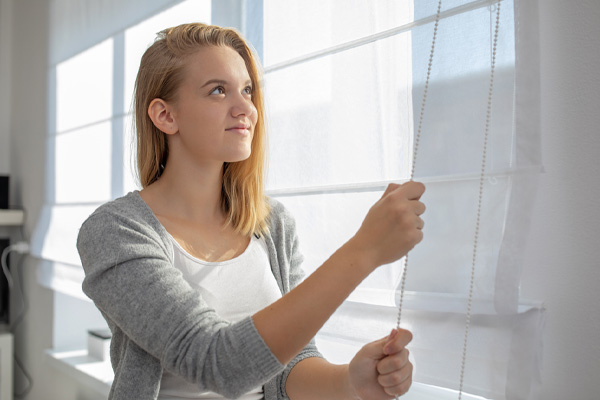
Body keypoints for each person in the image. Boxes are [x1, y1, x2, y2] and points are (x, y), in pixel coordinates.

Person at [77, 22, 426, 400]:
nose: (246, 108)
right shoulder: (115, 232)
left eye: (247, 90)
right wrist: (364, 251)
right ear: (165, 116)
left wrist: (349, 382)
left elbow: (289, 363)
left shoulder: (271, 224)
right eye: (217, 91)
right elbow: (216, 362)